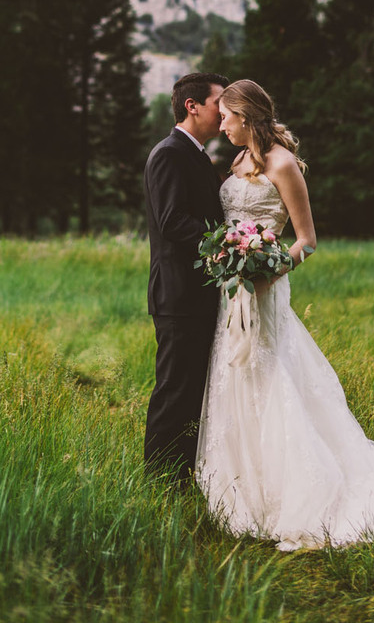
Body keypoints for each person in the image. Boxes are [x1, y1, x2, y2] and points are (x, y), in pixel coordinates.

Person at [196, 79, 374, 550]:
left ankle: (297, 493)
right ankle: (241, 491)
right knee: (235, 376)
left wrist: (269, 268)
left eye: (226, 116)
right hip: (233, 291)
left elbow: (306, 240)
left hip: (265, 289)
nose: (220, 124)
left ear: (246, 116)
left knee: (272, 376)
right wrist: (227, 259)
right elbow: (229, 225)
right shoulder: (238, 161)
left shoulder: (283, 164)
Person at [143, 71, 229, 485]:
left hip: (200, 294)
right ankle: (160, 481)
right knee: (175, 392)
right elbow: (173, 221)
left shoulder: (198, 156)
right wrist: (230, 244)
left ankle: (184, 474)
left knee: (194, 391)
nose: (225, 111)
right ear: (192, 105)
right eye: (219, 103)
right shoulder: (169, 153)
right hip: (178, 296)